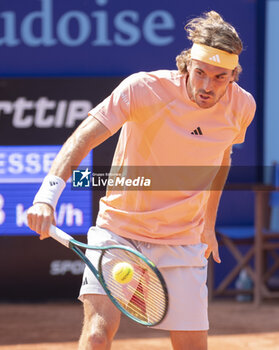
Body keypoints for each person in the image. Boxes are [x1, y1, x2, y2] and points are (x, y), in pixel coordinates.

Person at [27, 10, 256, 350]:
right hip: (119, 230)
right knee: (96, 335)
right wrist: (46, 196)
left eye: (220, 77)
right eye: (201, 73)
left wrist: (208, 224)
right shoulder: (143, 89)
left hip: (183, 238)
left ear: (233, 75)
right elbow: (83, 138)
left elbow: (222, 157)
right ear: (187, 65)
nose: (207, 86)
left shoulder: (242, 107)